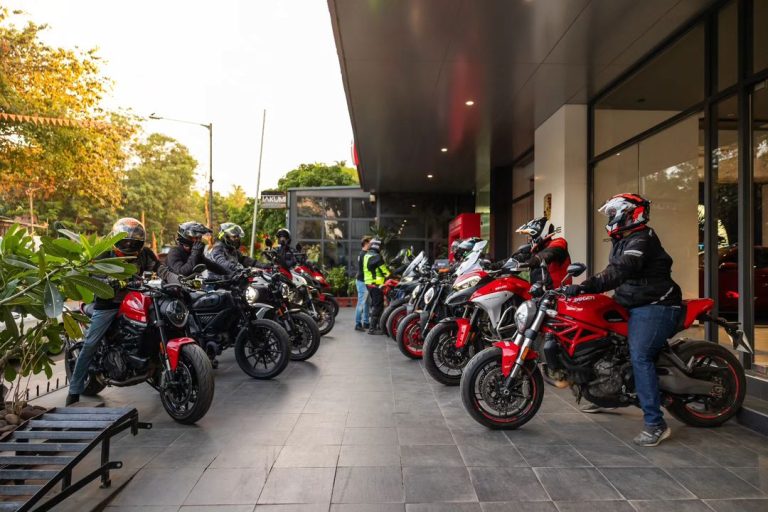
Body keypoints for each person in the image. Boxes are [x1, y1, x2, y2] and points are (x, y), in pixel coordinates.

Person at [564, 193, 682, 447]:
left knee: (639, 356)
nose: (610, 218)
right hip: (629, 302)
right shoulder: (622, 239)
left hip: (655, 304)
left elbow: (621, 270)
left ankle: (655, 423)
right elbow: (615, 272)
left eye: (613, 214)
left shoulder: (643, 238)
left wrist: (586, 286)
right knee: (596, 335)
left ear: (630, 214)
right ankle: (600, 394)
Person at [66, 218, 159, 406]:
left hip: (134, 299)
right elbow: (94, 276)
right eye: (125, 241)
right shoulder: (103, 253)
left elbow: (161, 268)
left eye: (134, 243)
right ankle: (74, 390)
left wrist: (176, 277)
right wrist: (109, 281)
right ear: (115, 238)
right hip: (107, 303)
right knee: (91, 343)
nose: (129, 245)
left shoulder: (144, 254)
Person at [515, 217, 571, 287]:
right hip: (538, 292)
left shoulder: (559, 242)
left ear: (541, 233)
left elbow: (547, 254)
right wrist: (498, 266)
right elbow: (517, 259)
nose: (529, 239)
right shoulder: (535, 249)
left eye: (531, 235)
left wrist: (533, 261)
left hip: (558, 293)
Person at [363, 238, 389, 335]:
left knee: (376, 305)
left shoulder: (367, 255)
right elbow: (384, 271)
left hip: (369, 283)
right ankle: (372, 328)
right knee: (378, 306)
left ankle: (378, 325)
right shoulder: (377, 256)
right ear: (377, 246)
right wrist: (392, 273)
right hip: (376, 284)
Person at [354, 237, 372, 331]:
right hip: (362, 281)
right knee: (361, 303)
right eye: (370, 243)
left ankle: (366, 322)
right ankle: (357, 324)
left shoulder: (362, 254)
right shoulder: (364, 255)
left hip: (364, 281)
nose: (371, 244)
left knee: (367, 303)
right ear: (365, 243)